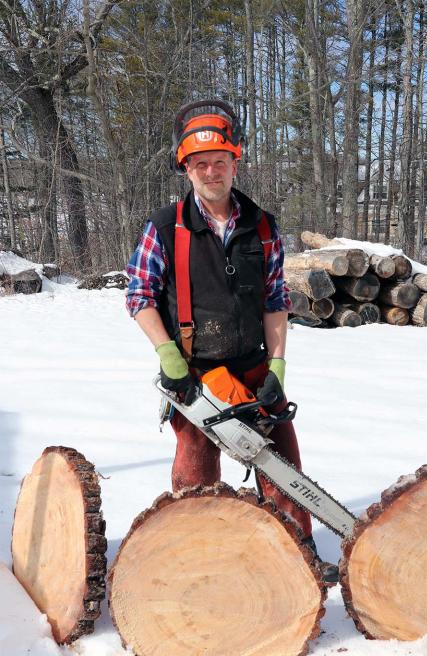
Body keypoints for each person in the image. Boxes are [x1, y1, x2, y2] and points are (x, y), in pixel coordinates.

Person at [126, 99, 334, 577]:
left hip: (253, 365)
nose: (211, 171)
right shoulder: (165, 227)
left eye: (220, 161)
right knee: (194, 474)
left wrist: (278, 367)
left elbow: (275, 300)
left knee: (283, 467)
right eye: (201, 163)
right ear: (187, 168)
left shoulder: (262, 226)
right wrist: (166, 354)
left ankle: (298, 556)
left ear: (234, 162)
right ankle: (196, 559)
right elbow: (140, 295)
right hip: (196, 374)